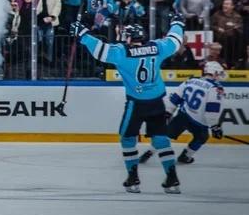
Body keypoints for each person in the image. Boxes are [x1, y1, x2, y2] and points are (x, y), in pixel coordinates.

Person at [72, 16, 186, 193]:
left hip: (136, 104)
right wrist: (177, 23)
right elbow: (175, 40)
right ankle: (172, 179)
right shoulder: (157, 47)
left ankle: (133, 178)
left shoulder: (122, 52)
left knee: (127, 138)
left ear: (130, 39)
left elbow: (100, 51)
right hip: (157, 102)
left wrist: (83, 33)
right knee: (161, 140)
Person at [140, 61, 226, 166]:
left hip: (184, 115)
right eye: (219, 73)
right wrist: (214, 126)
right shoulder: (216, 88)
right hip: (199, 122)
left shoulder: (191, 80)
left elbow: (176, 97)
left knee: (167, 135)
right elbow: (212, 110)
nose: (220, 76)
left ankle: (148, 153)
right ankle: (185, 156)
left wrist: (168, 112)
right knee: (202, 137)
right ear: (215, 72)